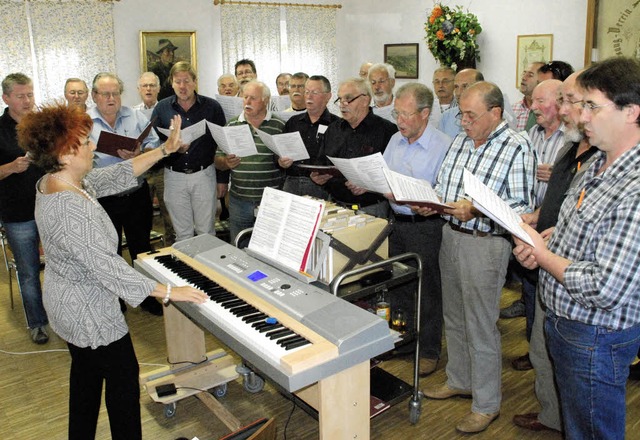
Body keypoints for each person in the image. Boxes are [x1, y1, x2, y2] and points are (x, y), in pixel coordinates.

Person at [17, 104, 207, 439]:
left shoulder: (59, 181)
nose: (93, 146)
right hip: (88, 310)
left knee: (86, 379)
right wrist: (168, 292)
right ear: (64, 152)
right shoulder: (67, 205)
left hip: (71, 302)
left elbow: (117, 174)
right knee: (122, 384)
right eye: (85, 142)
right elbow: (106, 265)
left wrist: (165, 149)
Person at [513, 56, 640, 440]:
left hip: (595, 336)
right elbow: (579, 230)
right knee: (577, 426)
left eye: (591, 106)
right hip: (569, 323)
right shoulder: (597, 162)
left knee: (592, 431)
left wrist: (543, 256)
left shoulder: (634, 186)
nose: (581, 116)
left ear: (631, 111)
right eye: (580, 105)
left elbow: (604, 286)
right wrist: (546, 241)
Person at [422, 81, 536, 434]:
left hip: (485, 244)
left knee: (481, 325)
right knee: (453, 316)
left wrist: (478, 210)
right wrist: (431, 200)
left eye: (470, 114)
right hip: (450, 235)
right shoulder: (460, 139)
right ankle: (459, 379)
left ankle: (486, 404)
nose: (463, 121)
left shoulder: (517, 146)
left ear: (496, 113)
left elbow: (522, 208)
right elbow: (444, 184)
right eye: (461, 113)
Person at [511, 70, 599, 434]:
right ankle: (552, 414)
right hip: (549, 256)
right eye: (561, 101)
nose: (563, 110)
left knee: (574, 368)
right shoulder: (570, 148)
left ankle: (562, 419)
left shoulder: (601, 156)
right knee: (543, 347)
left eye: (570, 101)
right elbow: (558, 203)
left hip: (572, 273)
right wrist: (532, 218)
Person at [382, 83, 451, 376]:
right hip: (396, 223)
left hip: (427, 226)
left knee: (428, 290)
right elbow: (383, 175)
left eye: (406, 115)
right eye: (397, 114)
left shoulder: (445, 145)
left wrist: (432, 203)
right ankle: (404, 340)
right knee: (399, 286)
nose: (400, 121)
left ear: (425, 113)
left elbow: (446, 190)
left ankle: (429, 349)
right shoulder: (394, 141)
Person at [89, 72, 162, 316]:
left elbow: (154, 143)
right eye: (105, 94)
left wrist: (142, 150)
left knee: (141, 247)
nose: (111, 98)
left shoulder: (135, 115)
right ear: (94, 96)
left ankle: (146, 297)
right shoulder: (85, 123)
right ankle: (116, 299)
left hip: (135, 193)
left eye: (115, 93)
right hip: (103, 198)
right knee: (110, 251)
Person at [152, 61, 227, 243]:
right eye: (178, 81)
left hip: (203, 174)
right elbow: (155, 143)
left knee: (206, 232)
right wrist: (172, 147)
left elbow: (223, 144)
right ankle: (188, 270)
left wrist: (222, 179)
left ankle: (208, 270)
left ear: (195, 82)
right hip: (174, 176)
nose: (182, 86)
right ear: (171, 82)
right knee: (183, 234)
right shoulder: (162, 108)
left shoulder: (212, 107)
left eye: (186, 81)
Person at [0, 72, 49, 344]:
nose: (28, 100)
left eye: (30, 94)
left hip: (49, 206)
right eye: (21, 96)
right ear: (6, 98)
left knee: (58, 266)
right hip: (17, 212)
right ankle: (37, 322)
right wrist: (9, 168)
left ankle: (60, 313)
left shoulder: (42, 125)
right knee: (29, 271)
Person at [312, 78, 397, 218]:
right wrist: (318, 176)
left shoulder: (387, 130)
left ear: (365, 100)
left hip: (371, 208)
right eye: (340, 99)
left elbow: (393, 174)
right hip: (336, 205)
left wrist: (369, 185)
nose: (342, 104)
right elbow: (322, 162)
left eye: (348, 99)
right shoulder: (334, 129)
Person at [214, 80, 285, 242]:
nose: (247, 101)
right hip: (239, 199)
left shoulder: (279, 125)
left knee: (268, 245)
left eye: (253, 98)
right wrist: (225, 162)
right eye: (245, 97)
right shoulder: (232, 124)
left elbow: (287, 161)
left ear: (266, 101)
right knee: (239, 244)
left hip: (270, 200)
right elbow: (217, 159)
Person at [279, 75, 339, 199]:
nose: (309, 96)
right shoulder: (293, 122)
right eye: (306, 92)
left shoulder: (337, 125)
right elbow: (279, 150)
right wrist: (280, 161)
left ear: (328, 96)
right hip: (291, 183)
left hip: (322, 187)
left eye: (315, 92)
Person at [133, 72, 175, 245]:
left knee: (170, 214)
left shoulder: (167, 110)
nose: (148, 89)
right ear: (139, 89)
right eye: (145, 86)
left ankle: (172, 249)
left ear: (158, 89)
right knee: (141, 214)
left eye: (152, 85)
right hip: (142, 170)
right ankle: (145, 251)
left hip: (162, 169)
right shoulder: (132, 113)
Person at [438, 68, 484, 138]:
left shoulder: (493, 115)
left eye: (465, 86)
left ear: (480, 88)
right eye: (456, 87)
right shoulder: (446, 117)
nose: (459, 93)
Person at [512, 62, 545, 132]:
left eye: (530, 75)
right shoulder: (513, 109)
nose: (523, 78)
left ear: (541, 81)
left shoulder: (546, 111)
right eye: (524, 73)